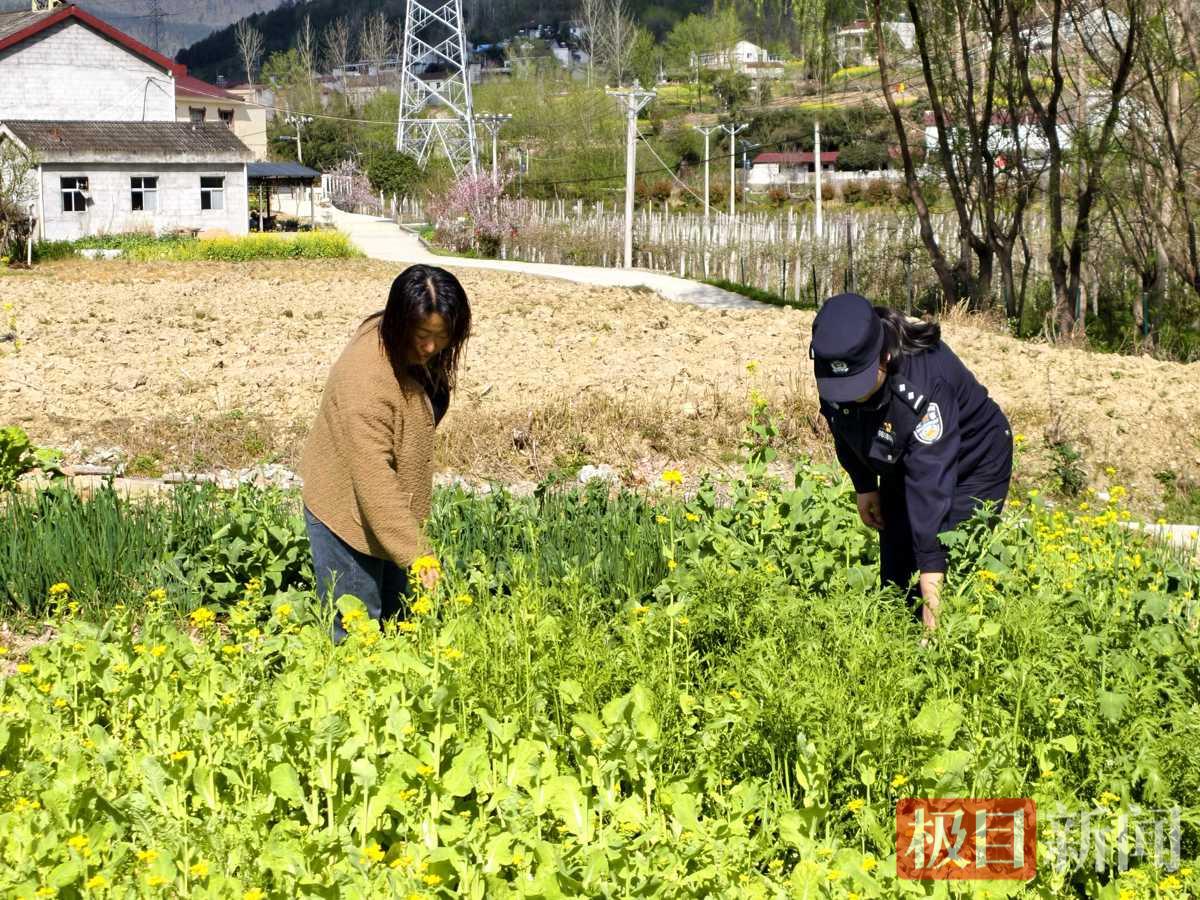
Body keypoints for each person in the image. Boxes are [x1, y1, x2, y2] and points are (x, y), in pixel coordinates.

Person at [810, 293, 1012, 629]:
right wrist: (864, 485)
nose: (851, 395)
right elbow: (843, 425)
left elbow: (930, 492)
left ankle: (944, 648)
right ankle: (900, 641)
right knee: (895, 578)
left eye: (859, 385)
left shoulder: (923, 386)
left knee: (952, 566)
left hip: (973, 462)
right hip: (901, 451)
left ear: (884, 357)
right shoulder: (836, 364)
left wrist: (934, 622)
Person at [300, 264, 471, 641]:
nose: (430, 347)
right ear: (401, 321)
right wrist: (418, 553)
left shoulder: (399, 343)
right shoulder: (366, 382)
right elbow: (373, 479)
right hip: (345, 514)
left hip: (387, 512)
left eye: (442, 336)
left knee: (399, 620)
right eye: (423, 335)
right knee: (358, 630)